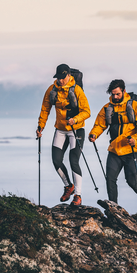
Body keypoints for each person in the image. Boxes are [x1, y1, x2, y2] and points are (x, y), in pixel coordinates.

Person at [89, 79, 137, 212]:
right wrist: (94, 134)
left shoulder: (135, 106)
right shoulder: (107, 108)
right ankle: (114, 209)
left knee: (131, 180)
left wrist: (135, 138)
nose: (115, 97)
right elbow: (100, 124)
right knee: (110, 179)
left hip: (132, 149)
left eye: (117, 94)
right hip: (115, 150)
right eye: (113, 94)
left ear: (123, 91)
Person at [37, 64, 91, 206]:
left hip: (76, 130)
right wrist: (40, 126)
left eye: (62, 77)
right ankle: (68, 186)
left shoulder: (77, 90)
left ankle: (78, 195)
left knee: (74, 161)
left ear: (68, 76)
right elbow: (45, 109)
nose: (60, 80)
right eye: (58, 78)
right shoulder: (52, 90)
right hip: (60, 129)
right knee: (56, 160)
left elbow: (87, 111)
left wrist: (75, 119)